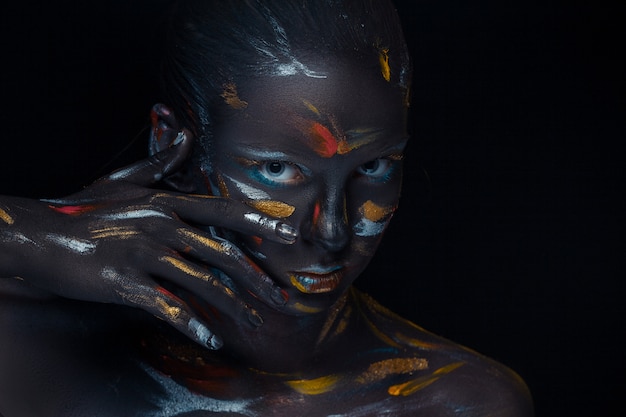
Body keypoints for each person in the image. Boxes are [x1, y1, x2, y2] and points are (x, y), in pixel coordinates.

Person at [0, 0, 534, 415]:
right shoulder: (32, 350)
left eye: (373, 168)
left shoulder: (457, 402)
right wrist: (22, 233)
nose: (331, 231)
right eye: (277, 170)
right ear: (171, 145)